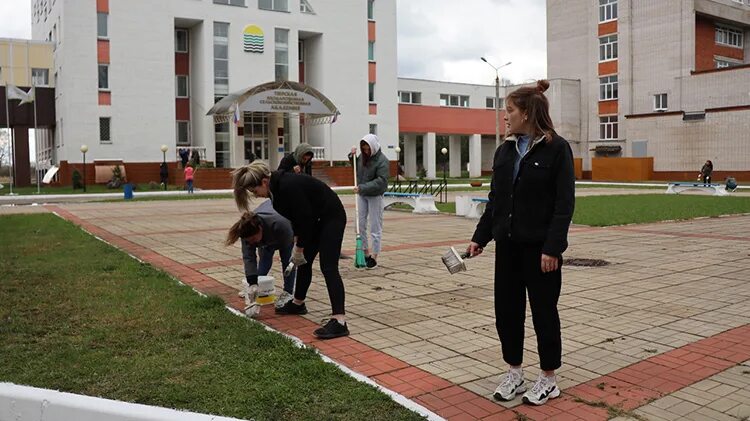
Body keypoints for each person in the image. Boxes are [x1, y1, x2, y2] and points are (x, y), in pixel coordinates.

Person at [467, 80, 575, 406]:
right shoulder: (505, 150)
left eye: (510, 111)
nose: (506, 117)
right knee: (507, 313)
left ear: (526, 113)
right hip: (508, 248)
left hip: (540, 250)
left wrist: (553, 248)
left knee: (544, 313)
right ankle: (515, 372)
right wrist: (480, 238)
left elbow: (564, 203)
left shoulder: (557, 149)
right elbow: (496, 200)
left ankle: (548, 378)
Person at [231, 161, 349, 339]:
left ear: (264, 182)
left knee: (328, 266)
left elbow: (305, 219)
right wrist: (297, 244)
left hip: (331, 217)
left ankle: (339, 321)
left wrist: (299, 248)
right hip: (314, 221)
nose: (255, 196)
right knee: (303, 263)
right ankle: (298, 303)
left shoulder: (287, 186)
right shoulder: (275, 194)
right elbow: (296, 220)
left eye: (255, 191)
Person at [225, 201, 297, 318]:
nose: (251, 242)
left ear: (260, 229)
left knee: (287, 261)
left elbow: (291, 255)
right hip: (267, 234)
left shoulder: (281, 224)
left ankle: (288, 292)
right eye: (249, 241)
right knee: (265, 260)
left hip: (285, 231)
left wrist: (294, 259)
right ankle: (255, 288)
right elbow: (249, 258)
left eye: (253, 239)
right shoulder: (247, 230)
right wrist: (252, 282)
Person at [349, 134, 389, 269]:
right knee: (359, 225)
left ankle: (374, 256)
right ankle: (365, 253)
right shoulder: (362, 157)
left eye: (368, 149)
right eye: (364, 149)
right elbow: (357, 169)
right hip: (362, 194)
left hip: (375, 196)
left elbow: (381, 181)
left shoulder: (382, 161)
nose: (366, 152)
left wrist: (362, 187)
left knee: (375, 226)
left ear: (373, 147)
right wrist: (352, 157)